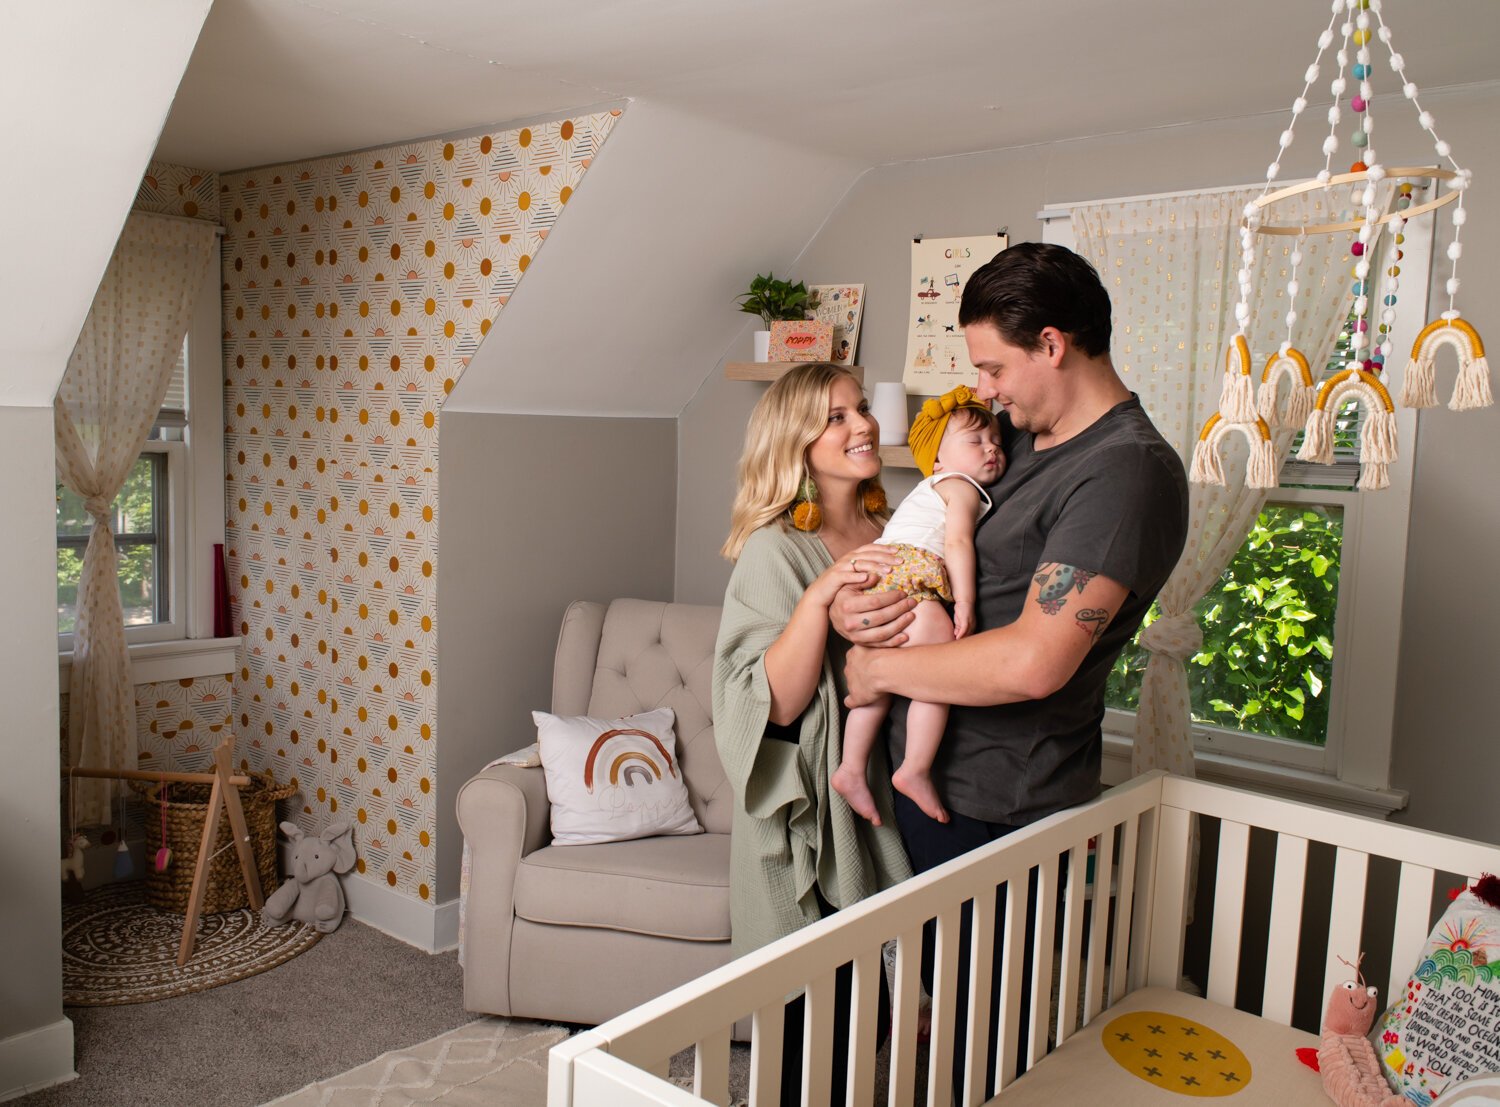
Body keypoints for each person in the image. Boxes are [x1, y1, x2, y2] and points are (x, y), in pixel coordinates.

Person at [832, 242, 1189, 1097]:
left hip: (994, 804)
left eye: (994, 364)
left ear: (1054, 344)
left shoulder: (1125, 472)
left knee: (981, 1041)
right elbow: (945, 550)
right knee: (894, 1012)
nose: (983, 388)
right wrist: (852, 608)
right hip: (923, 781)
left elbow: (1035, 660)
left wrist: (880, 671)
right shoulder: (1026, 442)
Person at [712, 361, 912, 1100]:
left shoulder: (891, 528)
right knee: (808, 1014)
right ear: (796, 443)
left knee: (874, 1010)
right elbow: (778, 703)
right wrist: (822, 594)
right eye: (836, 416)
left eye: (860, 409)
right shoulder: (774, 551)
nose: (862, 425)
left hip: (876, 787)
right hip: (803, 809)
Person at [831, 385, 1002, 828]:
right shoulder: (958, 486)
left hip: (881, 573)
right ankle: (915, 768)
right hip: (912, 573)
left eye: (996, 442)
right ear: (939, 460)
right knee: (936, 668)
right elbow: (958, 541)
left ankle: (851, 768)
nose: (992, 450)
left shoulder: (928, 489)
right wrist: (964, 601)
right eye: (976, 442)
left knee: (879, 682)